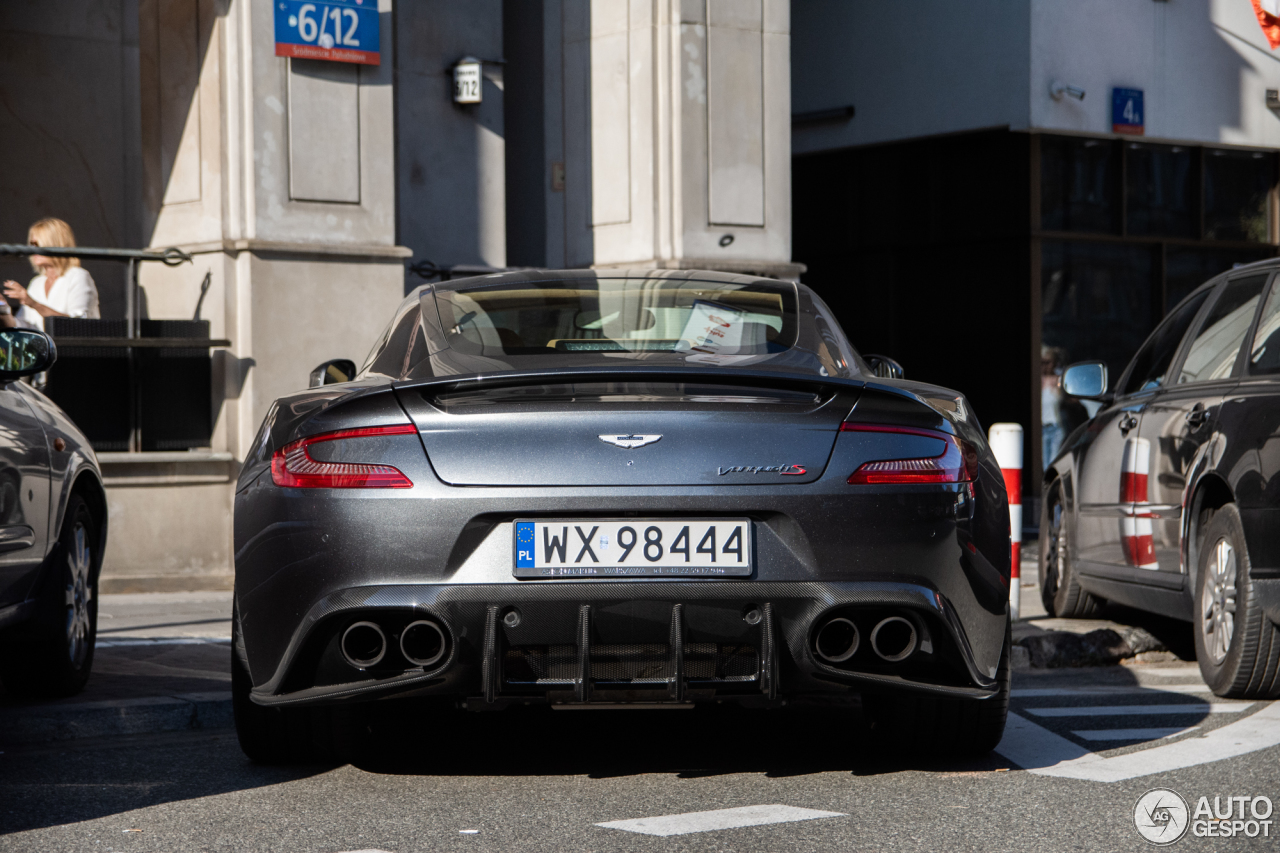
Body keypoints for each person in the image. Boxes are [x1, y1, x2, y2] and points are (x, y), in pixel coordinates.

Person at [3, 218, 100, 332]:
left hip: (70, 349)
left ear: (56, 244)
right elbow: (25, 328)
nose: (32, 249)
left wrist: (33, 303)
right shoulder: (36, 282)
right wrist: (4, 312)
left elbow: (78, 325)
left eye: (38, 244)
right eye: (31, 244)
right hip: (42, 348)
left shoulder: (78, 276)